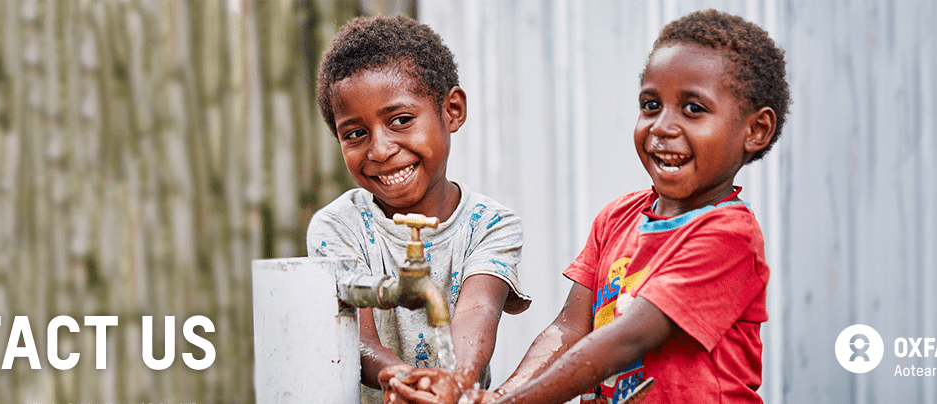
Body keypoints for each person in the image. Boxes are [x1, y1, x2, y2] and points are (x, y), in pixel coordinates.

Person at [457, 9, 791, 404]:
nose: (662, 127)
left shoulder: (729, 236)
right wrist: (504, 395)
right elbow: (568, 330)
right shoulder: (617, 218)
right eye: (651, 105)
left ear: (755, 130)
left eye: (693, 109)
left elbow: (626, 338)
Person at [306, 15, 532, 404]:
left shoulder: (491, 225)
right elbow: (356, 340)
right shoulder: (338, 227)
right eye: (356, 133)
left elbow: (478, 310)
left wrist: (451, 381)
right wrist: (403, 379)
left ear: (452, 110)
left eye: (401, 120)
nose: (379, 149)